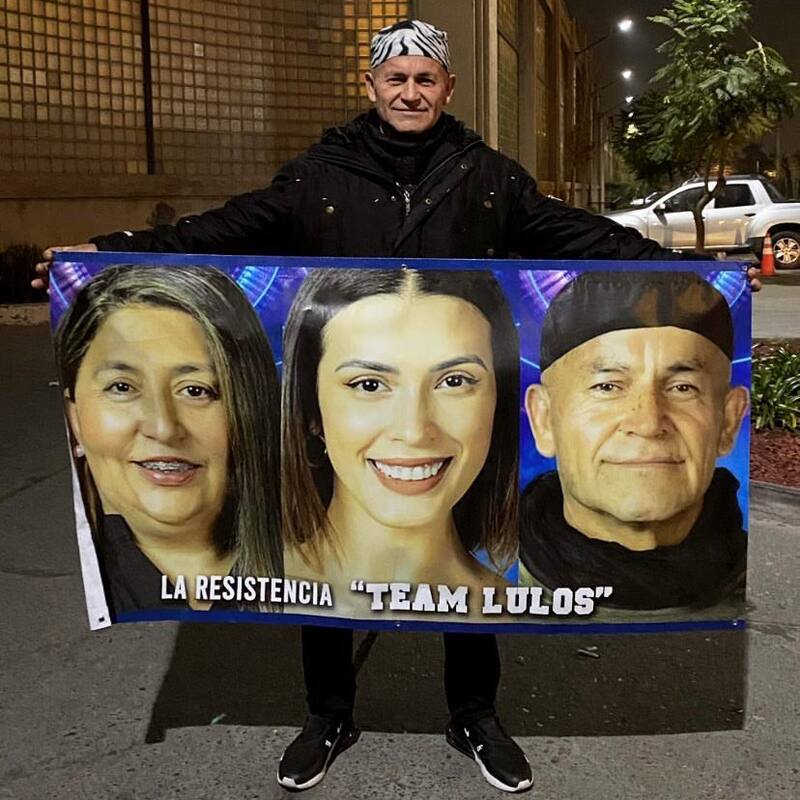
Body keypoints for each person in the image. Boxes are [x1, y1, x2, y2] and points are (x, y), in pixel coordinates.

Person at [34, 17, 761, 795]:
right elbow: (227, 226)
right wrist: (108, 251)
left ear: (446, 88)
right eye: (396, 79)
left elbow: (580, 236)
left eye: (425, 79)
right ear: (373, 86)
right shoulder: (319, 175)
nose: (410, 91)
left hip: (448, 407)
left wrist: (691, 273)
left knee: (464, 565)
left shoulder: (487, 176)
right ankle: (327, 714)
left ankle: (474, 716)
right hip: (357, 410)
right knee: (320, 567)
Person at [281, 268, 518, 620]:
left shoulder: (527, 609)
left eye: (454, 381)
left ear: (499, 401)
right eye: (369, 385)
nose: (414, 430)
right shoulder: (237, 589)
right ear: (312, 409)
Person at [54, 264, 282, 616]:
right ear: (75, 420)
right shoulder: (53, 601)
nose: (163, 427)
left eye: (196, 390)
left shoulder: (327, 570)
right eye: (122, 387)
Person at [520, 270, 749, 616]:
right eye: (607, 387)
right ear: (544, 419)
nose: (648, 423)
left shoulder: (741, 581)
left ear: (728, 421)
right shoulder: (487, 582)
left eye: (683, 388)